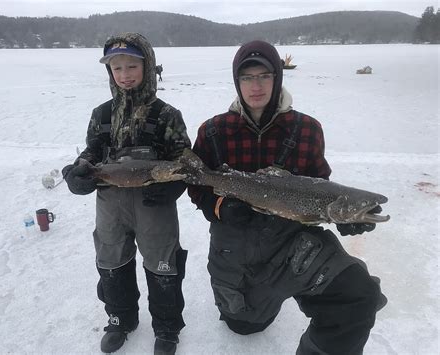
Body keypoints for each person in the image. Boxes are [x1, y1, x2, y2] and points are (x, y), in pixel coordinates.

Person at [188, 40, 387, 355]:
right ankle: (261, 300)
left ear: (277, 78)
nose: (256, 85)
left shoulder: (307, 129)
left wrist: (345, 219)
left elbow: (319, 186)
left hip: (293, 244)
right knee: (244, 325)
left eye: (264, 76)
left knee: (358, 295)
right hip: (235, 247)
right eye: (247, 77)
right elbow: (197, 185)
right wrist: (220, 207)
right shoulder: (213, 131)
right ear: (237, 82)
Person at [62, 32, 191, 355]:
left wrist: (175, 185)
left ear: (147, 66)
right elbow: (92, 152)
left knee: (163, 264)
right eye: (117, 68)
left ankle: (166, 326)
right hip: (110, 203)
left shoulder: (167, 115)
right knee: (111, 261)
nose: (124, 75)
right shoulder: (101, 114)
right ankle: (120, 318)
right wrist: (77, 173)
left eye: (132, 66)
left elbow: (185, 160)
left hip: (154, 203)